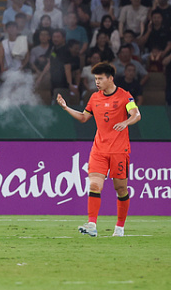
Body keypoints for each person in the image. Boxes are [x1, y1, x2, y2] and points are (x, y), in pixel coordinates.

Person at [56, 63, 140, 237]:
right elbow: (83, 117)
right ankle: (92, 225)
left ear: (110, 78)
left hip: (119, 150)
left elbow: (136, 114)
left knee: (121, 189)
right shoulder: (95, 98)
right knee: (94, 184)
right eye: (95, 79)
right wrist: (66, 107)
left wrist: (125, 122)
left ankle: (119, 227)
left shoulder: (124, 96)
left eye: (100, 79)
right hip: (99, 149)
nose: (97, 82)